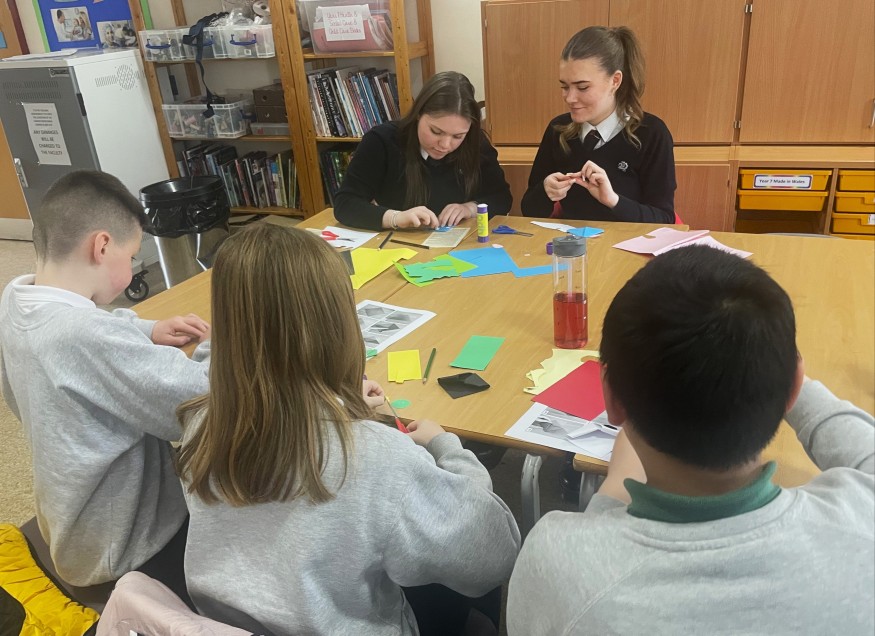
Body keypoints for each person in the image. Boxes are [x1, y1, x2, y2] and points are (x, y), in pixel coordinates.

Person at [506, 245, 874, 635]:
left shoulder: (556, 564)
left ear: (611, 397)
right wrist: (772, 368)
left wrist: (610, 497)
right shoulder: (862, 524)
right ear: (793, 390)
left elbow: (593, 562)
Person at [176, 224, 521, 635]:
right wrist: (446, 447)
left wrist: (339, 404)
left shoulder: (199, 424)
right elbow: (493, 555)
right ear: (338, 325)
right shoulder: (377, 458)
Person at [0, 171, 211, 599]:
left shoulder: (16, 297)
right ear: (101, 246)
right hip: (126, 545)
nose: (132, 269)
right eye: (131, 256)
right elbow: (203, 400)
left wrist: (146, 329)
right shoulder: (84, 338)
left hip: (72, 519)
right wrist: (218, 341)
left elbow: (88, 323)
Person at [521, 26, 676, 223]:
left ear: (615, 81)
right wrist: (545, 192)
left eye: (582, 87)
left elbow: (664, 219)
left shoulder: (651, 134)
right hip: (571, 240)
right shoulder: (558, 130)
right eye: (564, 86)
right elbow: (528, 209)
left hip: (626, 241)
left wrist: (614, 201)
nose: (570, 98)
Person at [334, 71, 513, 231]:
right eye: (436, 131)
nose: (445, 145)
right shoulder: (382, 141)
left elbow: (501, 198)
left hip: (460, 246)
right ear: (419, 114)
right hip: (398, 246)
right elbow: (345, 203)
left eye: (458, 136)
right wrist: (396, 218)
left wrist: (470, 208)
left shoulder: (475, 143)